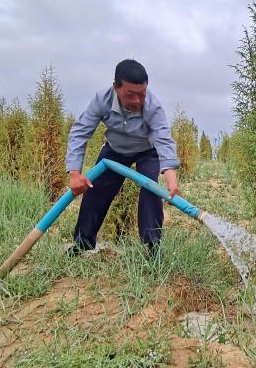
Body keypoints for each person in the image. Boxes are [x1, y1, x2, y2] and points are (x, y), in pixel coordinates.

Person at [65, 59, 180, 257]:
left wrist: (171, 178)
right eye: (130, 95)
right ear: (116, 87)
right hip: (115, 150)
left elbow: (164, 140)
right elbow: (80, 132)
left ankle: (152, 249)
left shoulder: (154, 106)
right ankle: (82, 243)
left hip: (147, 150)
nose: (137, 100)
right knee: (95, 190)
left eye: (141, 94)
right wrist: (74, 172)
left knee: (150, 190)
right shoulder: (102, 100)